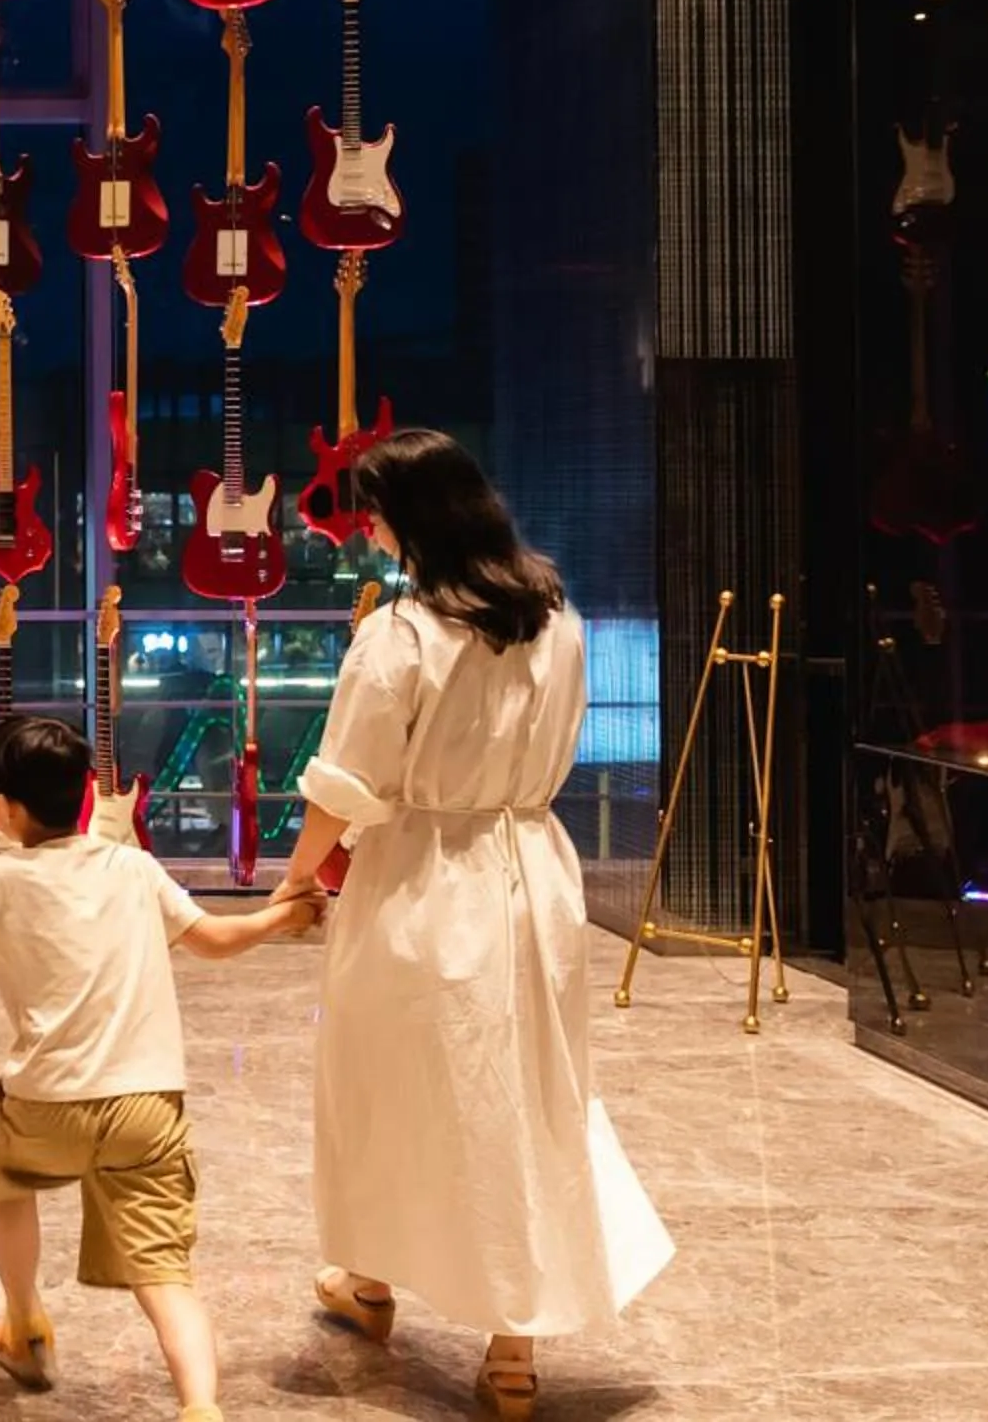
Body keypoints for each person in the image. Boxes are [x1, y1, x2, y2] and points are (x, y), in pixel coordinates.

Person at [272, 430, 672, 1420]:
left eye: (371, 511)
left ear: (408, 518)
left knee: (385, 1083)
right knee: (527, 1091)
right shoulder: (559, 623)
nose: (364, 527)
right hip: (532, 873)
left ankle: (370, 1281)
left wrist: (291, 885)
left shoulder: (401, 635)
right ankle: (510, 1349)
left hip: (420, 878)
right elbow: (566, 743)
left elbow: (348, 785)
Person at [0, 716, 319, 1422]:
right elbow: (212, 940)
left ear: (0, 805)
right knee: (166, 1272)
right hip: (147, 1105)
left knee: (10, 1183)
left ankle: (24, 1321)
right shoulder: (132, 865)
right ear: (89, 791)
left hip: (46, 1101)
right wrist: (280, 918)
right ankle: (201, 1404)